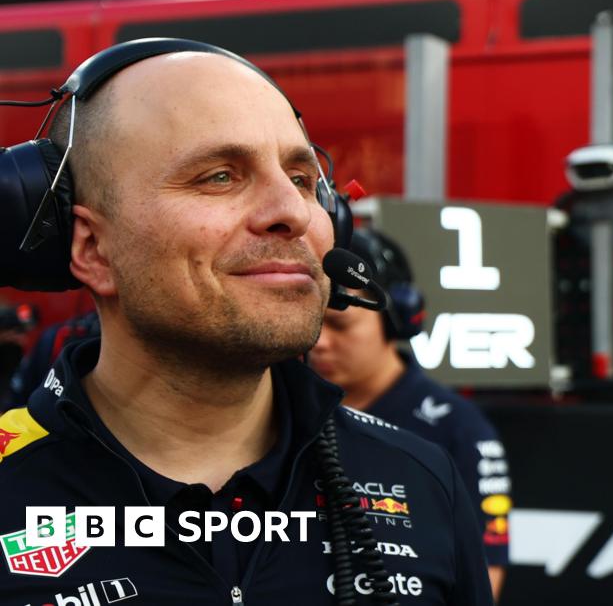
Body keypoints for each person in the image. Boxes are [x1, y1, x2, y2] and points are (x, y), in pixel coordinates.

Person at [0, 40, 493, 604]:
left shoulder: (422, 478)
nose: (292, 212)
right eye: (219, 177)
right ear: (91, 247)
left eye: (302, 180)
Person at [310, 228, 513, 601]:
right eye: (313, 323)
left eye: (339, 324)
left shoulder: (458, 428)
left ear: (397, 319)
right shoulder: (279, 414)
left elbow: (483, 573)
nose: (319, 342)